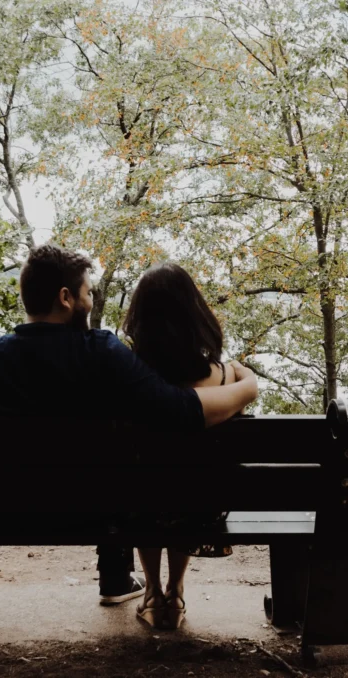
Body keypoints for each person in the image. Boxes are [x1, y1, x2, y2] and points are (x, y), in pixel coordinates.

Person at [0, 244, 258, 608]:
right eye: (87, 292)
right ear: (65, 298)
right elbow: (180, 410)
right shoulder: (101, 354)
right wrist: (246, 387)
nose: (91, 300)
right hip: (87, 512)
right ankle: (118, 578)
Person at [120, 262, 239, 630]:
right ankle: (176, 590)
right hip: (200, 507)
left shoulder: (129, 376)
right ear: (195, 313)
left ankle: (153, 593)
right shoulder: (222, 376)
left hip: (139, 505)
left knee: (145, 490)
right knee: (186, 487)